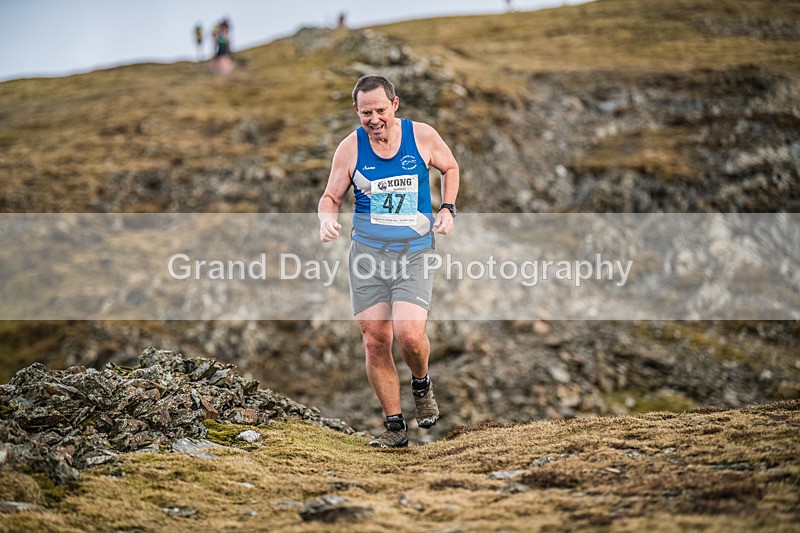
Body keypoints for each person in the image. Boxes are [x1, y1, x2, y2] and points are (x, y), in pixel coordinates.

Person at [318, 75, 460, 448]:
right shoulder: (350, 148)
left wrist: (447, 208)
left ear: (395, 105)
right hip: (367, 256)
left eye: (381, 110)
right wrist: (327, 218)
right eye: (366, 113)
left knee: (409, 334)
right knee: (376, 340)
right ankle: (395, 429)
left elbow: (450, 168)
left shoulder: (422, 136)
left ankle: (421, 382)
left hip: (414, 252)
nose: (374, 119)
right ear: (356, 111)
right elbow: (330, 195)